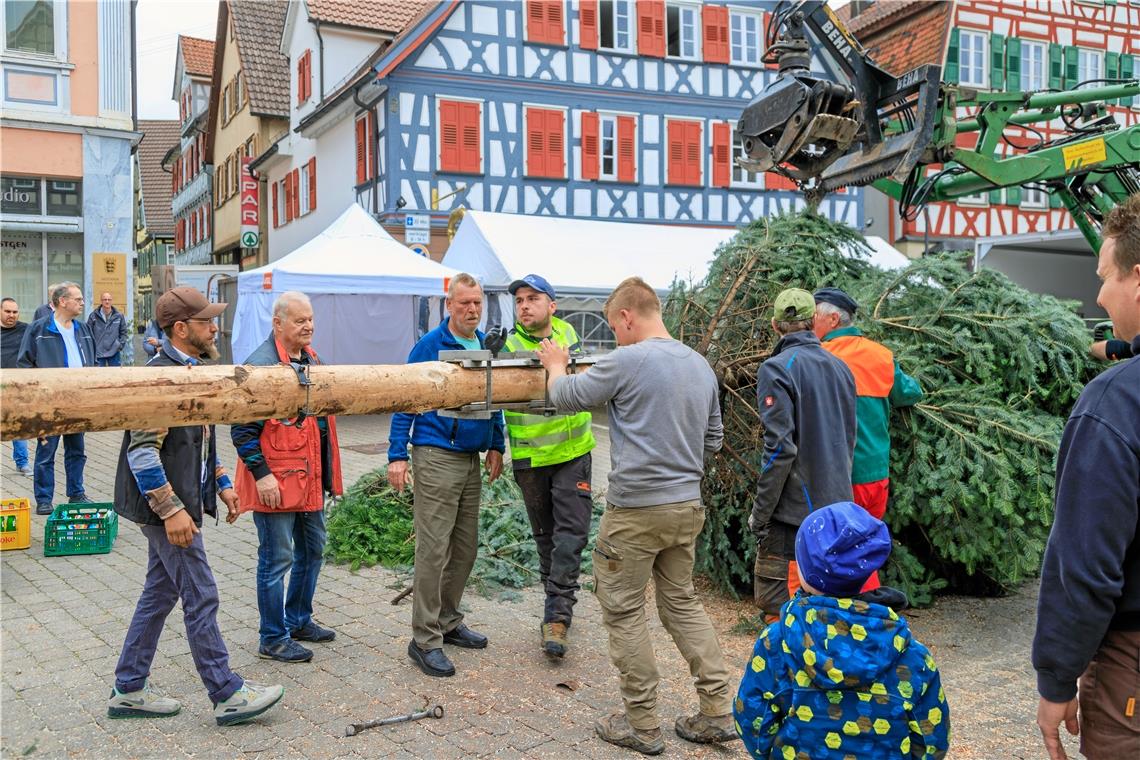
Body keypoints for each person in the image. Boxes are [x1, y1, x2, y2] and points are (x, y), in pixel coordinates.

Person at [536, 276, 736, 755]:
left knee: (624, 612)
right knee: (681, 604)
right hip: (686, 507)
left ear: (627, 316)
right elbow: (714, 441)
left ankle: (643, 725)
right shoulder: (700, 365)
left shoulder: (627, 359)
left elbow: (564, 397)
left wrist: (556, 364)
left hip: (635, 512)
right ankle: (717, 713)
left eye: (614, 326)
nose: (616, 335)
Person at [109, 286, 284, 727]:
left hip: (178, 502)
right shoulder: (159, 377)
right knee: (201, 594)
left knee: (160, 592)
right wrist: (171, 510)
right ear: (182, 329)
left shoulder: (191, 369)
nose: (215, 328)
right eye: (207, 322)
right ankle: (226, 693)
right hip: (165, 508)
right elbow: (142, 452)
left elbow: (201, 439)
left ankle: (129, 687)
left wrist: (222, 482)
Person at [1033, 195, 1140, 760]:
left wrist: (1056, 678)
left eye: (1105, 277)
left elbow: (1086, 563)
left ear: (1139, 279)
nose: (1099, 294)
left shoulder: (1116, 404)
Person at [734, 501, 951, 759]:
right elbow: (931, 740)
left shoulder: (777, 643)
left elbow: (752, 721)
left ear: (803, 571)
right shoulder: (912, 657)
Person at [387, 273, 506, 678]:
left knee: (465, 546)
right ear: (449, 305)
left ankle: (449, 620)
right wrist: (396, 455)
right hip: (436, 454)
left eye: (477, 303)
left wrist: (497, 443)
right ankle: (424, 640)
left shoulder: (484, 344)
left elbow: (495, 395)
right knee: (434, 550)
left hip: (472, 455)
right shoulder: (430, 345)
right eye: (464, 303)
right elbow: (405, 399)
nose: (472, 309)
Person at [230, 291, 343, 664]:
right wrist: (261, 475)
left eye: (310, 319)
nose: (308, 326)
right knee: (277, 559)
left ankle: (298, 619)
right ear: (277, 324)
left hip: (309, 479)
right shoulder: (260, 366)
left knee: (312, 551)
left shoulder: (313, 360)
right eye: (299, 320)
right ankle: (273, 637)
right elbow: (242, 429)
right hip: (276, 483)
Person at [750, 288, 857, 623]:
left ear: (774, 325)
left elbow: (780, 449)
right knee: (828, 607)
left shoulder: (776, 368)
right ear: (813, 321)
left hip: (793, 514)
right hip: (838, 505)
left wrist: (761, 512)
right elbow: (848, 438)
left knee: (778, 609)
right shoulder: (842, 368)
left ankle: (786, 671)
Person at [503, 274, 595, 659]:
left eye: (533, 298)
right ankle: (554, 610)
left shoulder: (568, 337)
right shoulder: (506, 345)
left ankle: (557, 617)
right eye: (520, 300)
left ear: (552, 306)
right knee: (546, 540)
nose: (524, 305)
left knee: (570, 538)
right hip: (531, 459)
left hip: (573, 455)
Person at [813, 287, 922, 590]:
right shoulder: (881, 355)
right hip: (875, 476)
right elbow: (910, 392)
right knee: (864, 545)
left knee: (837, 551)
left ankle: (858, 612)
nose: (810, 325)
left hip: (837, 476)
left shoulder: (819, 358)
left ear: (833, 319)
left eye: (813, 318)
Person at [18, 282, 97, 515]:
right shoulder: (38, 329)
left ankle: (76, 493)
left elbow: (91, 362)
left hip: (77, 402)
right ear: (63, 301)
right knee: (46, 453)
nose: (82, 303)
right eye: (78, 299)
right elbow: (24, 364)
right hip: (49, 404)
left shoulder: (83, 329)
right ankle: (44, 499)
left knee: (77, 451)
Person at [1, 297, 32, 475]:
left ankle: (22, 463)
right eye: (7, 311)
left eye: (14, 312)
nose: (11, 315)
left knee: (18, 425)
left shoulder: (26, 330)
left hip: (16, 386)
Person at [87, 291, 129, 366]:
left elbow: (124, 332)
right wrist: (92, 348)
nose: (107, 301)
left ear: (111, 301)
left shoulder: (118, 316)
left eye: (109, 299)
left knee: (115, 375)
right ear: (101, 301)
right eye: (105, 299)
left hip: (114, 351)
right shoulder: (93, 316)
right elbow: (88, 333)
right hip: (98, 352)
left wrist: (119, 345)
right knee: (99, 376)